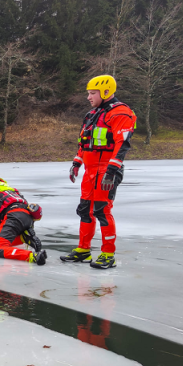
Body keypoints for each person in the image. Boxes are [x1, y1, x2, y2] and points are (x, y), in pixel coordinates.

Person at [63, 75, 136, 269]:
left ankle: (108, 254)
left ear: (105, 92)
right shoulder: (93, 114)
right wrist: (77, 163)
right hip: (90, 170)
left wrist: (112, 170)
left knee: (102, 210)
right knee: (85, 210)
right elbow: (85, 143)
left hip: (106, 171)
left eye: (92, 93)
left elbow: (123, 144)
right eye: (88, 93)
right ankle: (83, 250)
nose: (88, 97)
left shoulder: (120, 113)